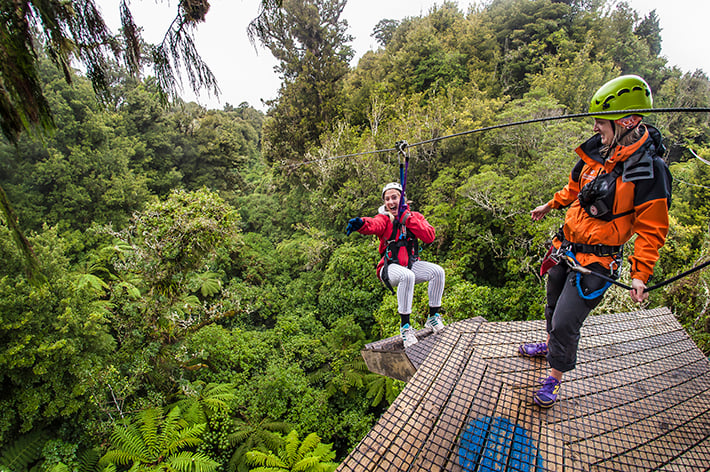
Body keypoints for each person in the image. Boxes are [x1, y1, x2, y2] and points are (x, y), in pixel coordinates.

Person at [522, 75, 672, 408]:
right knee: (551, 306)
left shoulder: (648, 170)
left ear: (628, 121)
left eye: (601, 122)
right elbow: (575, 188)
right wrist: (550, 205)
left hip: (598, 262)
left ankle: (554, 378)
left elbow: (652, 227)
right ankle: (549, 346)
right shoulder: (597, 154)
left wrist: (640, 274)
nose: (595, 128)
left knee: (565, 321)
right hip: (565, 249)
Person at [346, 182, 446, 348]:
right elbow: (374, 224)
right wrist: (362, 224)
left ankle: (433, 318)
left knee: (438, 272)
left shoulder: (415, 217)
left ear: (403, 199)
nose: (391, 202)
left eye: (395, 197)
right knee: (407, 276)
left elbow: (429, 236)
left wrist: (407, 219)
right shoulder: (385, 219)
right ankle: (405, 328)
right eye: (387, 199)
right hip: (389, 268)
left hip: (411, 264)